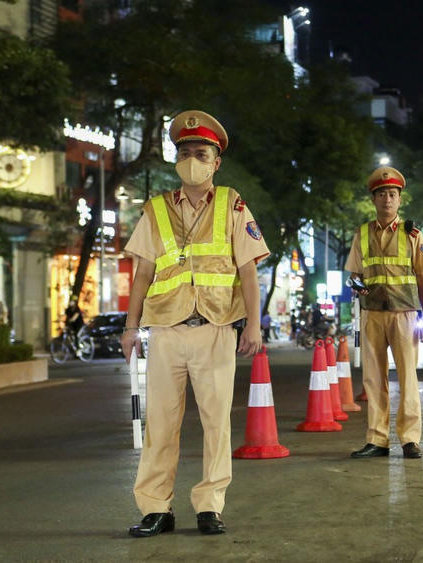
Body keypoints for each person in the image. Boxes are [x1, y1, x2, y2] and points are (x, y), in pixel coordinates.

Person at [120, 110, 269, 538]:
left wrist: (253, 326)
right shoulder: (156, 209)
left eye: (200, 153)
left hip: (216, 328)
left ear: (215, 161)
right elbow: (143, 274)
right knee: (160, 426)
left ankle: (209, 506)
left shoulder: (232, 204)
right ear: (176, 159)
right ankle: (156, 509)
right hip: (166, 330)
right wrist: (131, 328)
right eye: (184, 152)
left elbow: (248, 271)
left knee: (216, 423)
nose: (192, 159)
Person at [345, 165, 423, 459]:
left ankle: (410, 439)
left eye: (392, 194)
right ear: (374, 199)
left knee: (408, 377)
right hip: (371, 314)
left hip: (405, 314)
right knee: (373, 378)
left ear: (399, 199)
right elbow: (354, 273)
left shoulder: (412, 236)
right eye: (381, 194)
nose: (387, 199)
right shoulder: (362, 234)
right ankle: (377, 440)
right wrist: (358, 286)